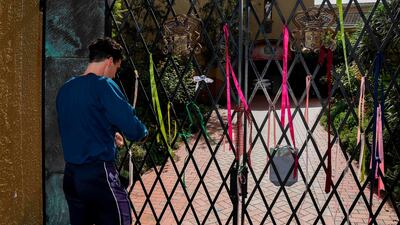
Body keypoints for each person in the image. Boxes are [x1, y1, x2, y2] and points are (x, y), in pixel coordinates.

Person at [56, 37, 147, 225]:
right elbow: (131, 126)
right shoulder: (103, 85)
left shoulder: (66, 89)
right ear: (109, 62)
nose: (114, 75)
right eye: (116, 68)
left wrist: (110, 133)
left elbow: (80, 122)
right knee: (122, 220)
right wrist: (143, 133)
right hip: (99, 176)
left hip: (72, 177)